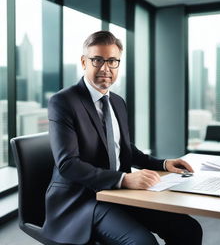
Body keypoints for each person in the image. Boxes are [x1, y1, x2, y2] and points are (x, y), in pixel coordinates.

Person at [42, 31, 202, 245]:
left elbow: (124, 148)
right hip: (84, 199)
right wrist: (124, 179)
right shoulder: (64, 101)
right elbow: (68, 165)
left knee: (189, 229)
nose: (105, 68)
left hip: (120, 193)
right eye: (97, 60)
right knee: (142, 242)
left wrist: (163, 163)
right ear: (83, 62)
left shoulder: (117, 102)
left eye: (112, 61)